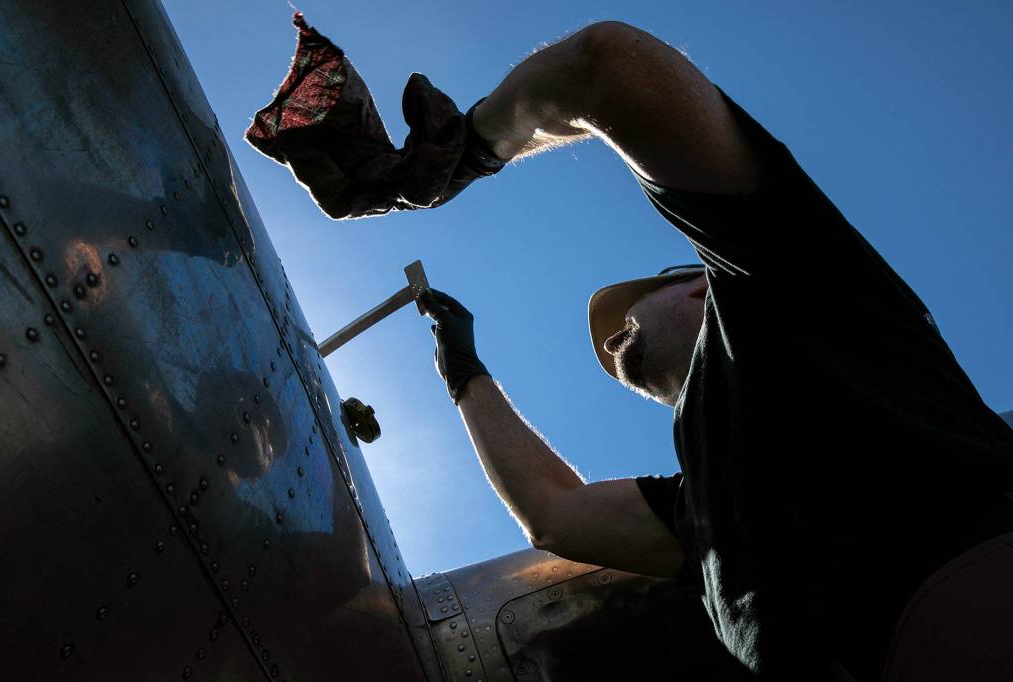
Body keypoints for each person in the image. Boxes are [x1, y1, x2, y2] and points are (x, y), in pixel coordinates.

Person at [414, 21, 1013, 682]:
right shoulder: (700, 506)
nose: (611, 339)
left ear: (701, 289)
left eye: (631, 311)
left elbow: (606, 68)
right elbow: (552, 516)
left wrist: (465, 150)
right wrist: (463, 367)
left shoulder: (789, 291)